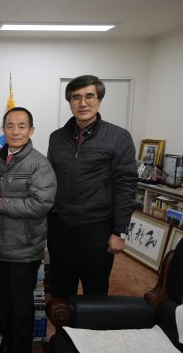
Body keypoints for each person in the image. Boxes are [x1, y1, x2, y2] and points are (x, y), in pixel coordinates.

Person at [47, 75, 138, 298]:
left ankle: (92, 334)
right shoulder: (56, 138)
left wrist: (120, 231)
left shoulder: (119, 137)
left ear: (99, 100)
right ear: (69, 102)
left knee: (95, 293)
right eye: (76, 97)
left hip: (97, 229)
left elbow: (126, 185)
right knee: (60, 292)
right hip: (61, 228)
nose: (83, 103)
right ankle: (64, 334)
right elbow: (50, 181)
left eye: (89, 96)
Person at [0, 107, 57, 353]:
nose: (15, 131)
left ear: (31, 130)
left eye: (22, 126)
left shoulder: (40, 164)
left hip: (24, 248)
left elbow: (41, 205)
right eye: (10, 126)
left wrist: (1, 204)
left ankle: (20, 349)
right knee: (2, 305)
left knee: (21, 306)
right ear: (3, 130)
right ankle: (7, 345)